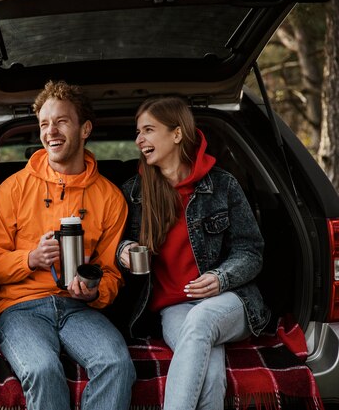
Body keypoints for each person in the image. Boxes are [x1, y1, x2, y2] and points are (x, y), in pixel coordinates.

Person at [0, 80, 135, 410]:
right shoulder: (14, 189)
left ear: (84, 128)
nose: (51, 132)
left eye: (62, 121)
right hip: (21, 307)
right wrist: (30, 259)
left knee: (117, 366)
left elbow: (111, 275)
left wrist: (93, 291)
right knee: (42, 369)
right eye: (45, 124)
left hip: (78, 309)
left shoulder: (110, 197)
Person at [116, 96, 271, 410]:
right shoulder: (134, 192)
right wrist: (124, 250)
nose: (139, 139)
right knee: (211, 375)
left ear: (176, 134)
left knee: (201, 320)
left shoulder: (223, 185)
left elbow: (251, 251)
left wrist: (220, 277)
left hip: (230, 299)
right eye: (138, 132)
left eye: (148, 130)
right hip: (174, 308)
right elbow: (114, 241)